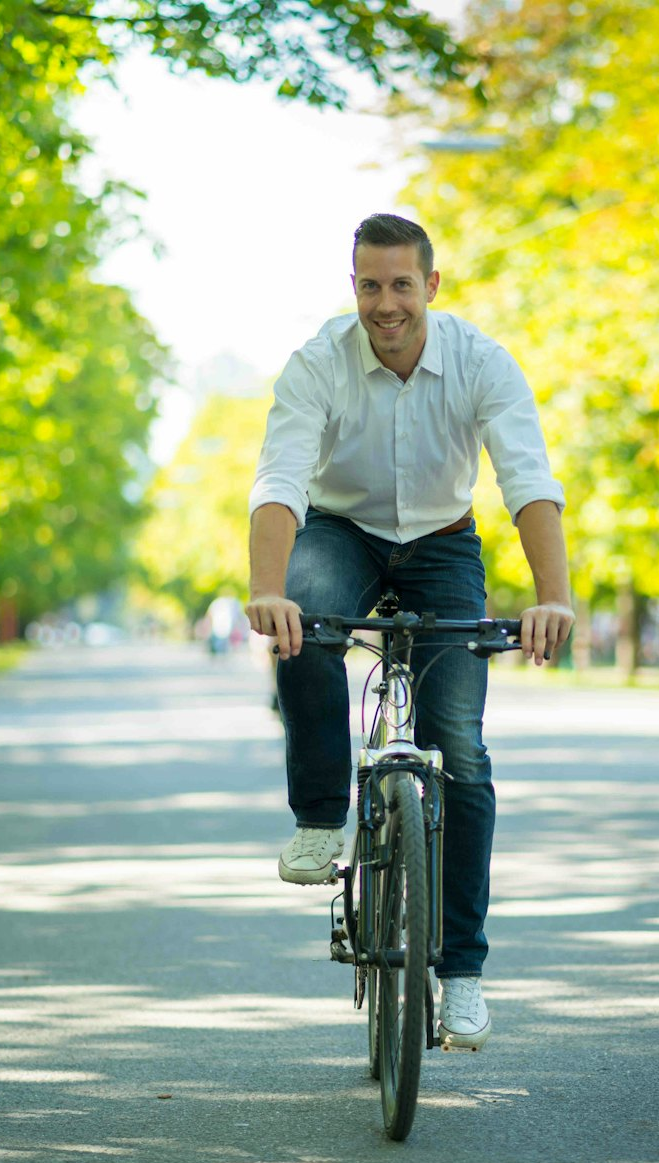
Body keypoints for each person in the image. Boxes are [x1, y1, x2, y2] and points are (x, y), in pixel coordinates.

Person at [245, 214, 574, 1050]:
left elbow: (527, 477)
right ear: (352, 286)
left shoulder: (481, 362)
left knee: (460, 748)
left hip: (442, 541)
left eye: (400, 285)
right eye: (369, 285)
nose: (385, 303)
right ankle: (321, 816)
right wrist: (267, 589)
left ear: (430, 285)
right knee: (305, 623)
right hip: (341, 531)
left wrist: (555, 598)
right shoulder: (319, 361)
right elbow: (280, 478)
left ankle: (461, 976)